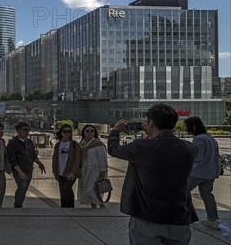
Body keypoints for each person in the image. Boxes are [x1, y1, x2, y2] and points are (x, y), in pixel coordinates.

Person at [108, 104, 198, 245]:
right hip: (180, 217)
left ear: (151, 123)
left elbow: (113, 149)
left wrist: (115, 130)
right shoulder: (190, 149)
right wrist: (153, 135)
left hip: (147, 218)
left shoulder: (141, 146)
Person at [184, 116, 221, 229]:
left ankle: (183, 215)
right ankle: (213, 219)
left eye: (187, 126)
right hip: (210, 172)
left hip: (198, 172)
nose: (186, 129)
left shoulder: (199, 139)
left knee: (181, 191)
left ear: (193, 127)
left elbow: (198, 157)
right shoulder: (210, 138)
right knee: (207, 195)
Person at [6, 121, 46, 208]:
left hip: (29, 169)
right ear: (18, 131)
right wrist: (20, 172)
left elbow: (33, 155)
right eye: (25, 130)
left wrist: (40, 163)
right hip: (18, 169)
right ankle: (18, 205)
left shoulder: (29, 142)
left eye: (28, 129)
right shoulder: (12, 143)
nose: (27, 132)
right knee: (23, 186)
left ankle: (18, 201)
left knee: (24, 188)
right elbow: (12, 160)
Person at [78, 124, 108, 208]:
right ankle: (94, 209)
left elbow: (103, 158)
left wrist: (103, 171)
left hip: (96, 171)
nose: (89, 133)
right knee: (89, 192)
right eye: (87, 131)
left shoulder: (98, 144)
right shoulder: (81, 144)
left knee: (93, 191)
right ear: (84, 132)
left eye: (92, 131)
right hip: (85, 171)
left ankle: (102, 207)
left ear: (95, 133)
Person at [52, 124, 81, 208]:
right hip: (60, 172)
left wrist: (73, 172)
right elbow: (55, 159)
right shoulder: (58, 145)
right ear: (61, 133)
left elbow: (77, 160)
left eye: (69, 131)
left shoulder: (75, 144)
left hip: (70, 172)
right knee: (63, 192)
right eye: (65, 131)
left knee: (67, 189)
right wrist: (55, 171)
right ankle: (64, 209)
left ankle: (71, 208)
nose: (67, 133)